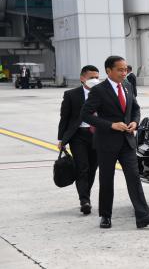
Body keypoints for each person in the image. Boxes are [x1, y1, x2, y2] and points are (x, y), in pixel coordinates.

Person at [81, 56, 149, 229]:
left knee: (134, 178)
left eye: (125, 69)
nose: (124, 73)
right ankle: (105, 216)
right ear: (108, 71)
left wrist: (135, 122)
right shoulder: (99, 90)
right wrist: (111, 125)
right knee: (107, 180)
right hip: (106, 143)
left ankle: (143, 216)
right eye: (120, 70)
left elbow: (135, 108)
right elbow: (85, 115)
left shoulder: (127, 86)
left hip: (127, 142)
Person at [57, 65, 100, 215]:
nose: (95, 80)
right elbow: (65, 118)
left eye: (97, 77)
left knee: (93, 168)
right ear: (82, 78)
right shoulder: (71, 95)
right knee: (82, 168)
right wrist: (61, 139)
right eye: (91, 77)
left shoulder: (103, 93)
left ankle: (85, 194)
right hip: (78, 136)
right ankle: (84, 201)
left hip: (97, 135)